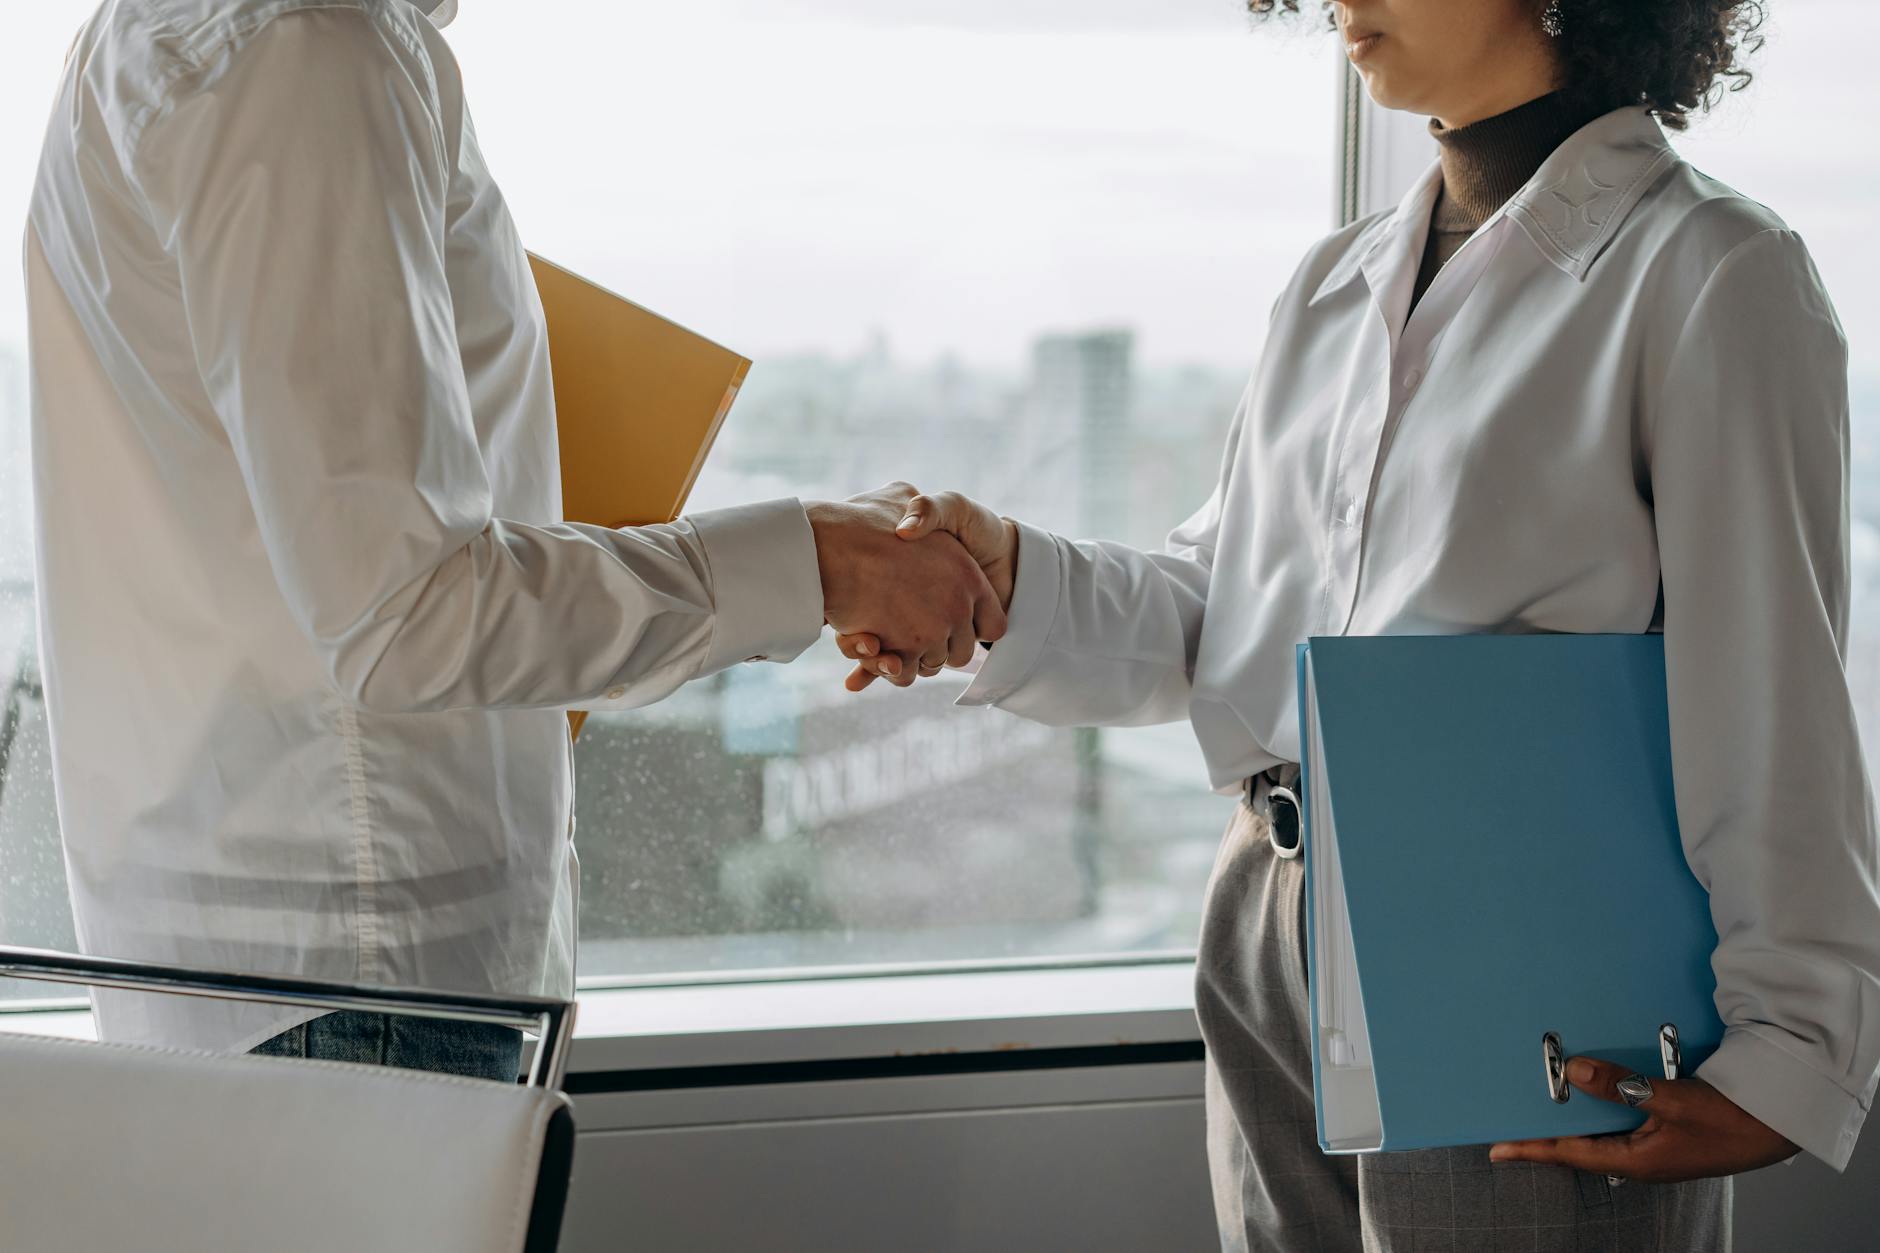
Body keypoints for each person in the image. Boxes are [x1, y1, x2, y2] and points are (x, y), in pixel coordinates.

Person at [841, 0, 1880, 1247]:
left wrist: (1791, 1046)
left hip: (1512, 938)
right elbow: (1230, 605)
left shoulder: (1709, 266)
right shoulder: (1334, 279)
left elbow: (1766, 681)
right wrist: (1009, 579)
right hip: (1262, 915)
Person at [24, 0, 999, 1082]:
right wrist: (818, 561)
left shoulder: (213, 38)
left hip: (304, 965)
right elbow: (409, 617)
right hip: (359, 975)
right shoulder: (306, 49)